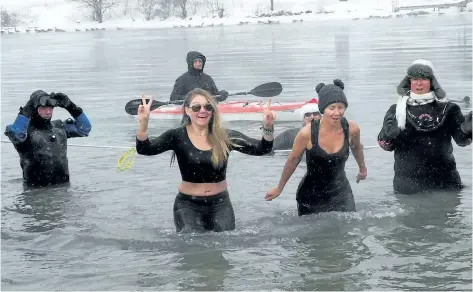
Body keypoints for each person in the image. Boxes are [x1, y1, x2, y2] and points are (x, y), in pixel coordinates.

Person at [136, 88, 275, 233]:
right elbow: (145, 149)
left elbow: (262, 149)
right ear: (187, 110)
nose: (203, 110)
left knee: (224, 243)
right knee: (192, 245)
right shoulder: (176, 136)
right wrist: (143, 125)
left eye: (208, 107)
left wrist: (268, 127)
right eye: (196, 107)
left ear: (213, 110)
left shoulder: (225, 136)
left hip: (221, 204)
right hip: (187, 205)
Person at [265, 79, 367, 216]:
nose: (337, 113)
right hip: (311, 196)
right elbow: (293, 160)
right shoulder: (307, 133)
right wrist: (279, 188)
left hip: (341, 192)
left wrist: (362, 168)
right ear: (322, 109)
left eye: (341, 107)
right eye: (332, 108)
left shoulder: (352, 128)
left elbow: (357, 148)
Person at [377, 59, 472, 194]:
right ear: (409, 82)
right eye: (414, 79)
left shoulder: (449, 109)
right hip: (408, 185)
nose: (418, 83)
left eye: (423, 78)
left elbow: (462, 141)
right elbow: (386, 145)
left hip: (446, 183)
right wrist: (388, 136)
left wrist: (467, 130)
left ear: (432, 82)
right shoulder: (396, 110)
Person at [4, 90, 92, 187]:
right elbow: (16, 135)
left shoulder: (59, 127)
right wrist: (27, 109)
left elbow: (85, 128)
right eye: (43, 108)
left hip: (63, 189)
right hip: (35, 192)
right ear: (34, 109)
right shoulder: (24, 132)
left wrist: (70, 106)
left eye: (50, 108)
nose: (48, 112)